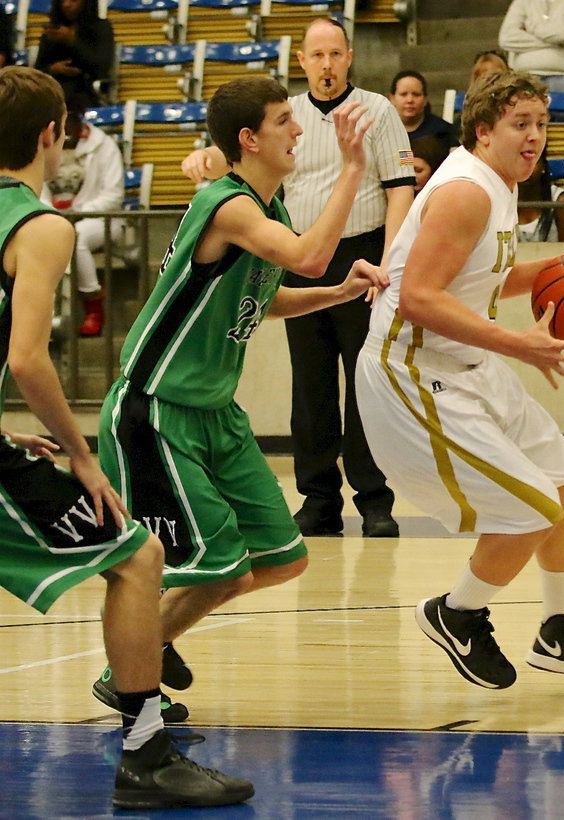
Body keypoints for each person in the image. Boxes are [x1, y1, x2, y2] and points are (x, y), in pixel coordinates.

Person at [95, 76, 389, 721]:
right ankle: (131, 669)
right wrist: (355, 168)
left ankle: (144, 647)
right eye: (286, 119)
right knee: (211, 568)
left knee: (282, 560)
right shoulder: (229, 205)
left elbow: (263, 299)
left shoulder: (266, 211)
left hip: (215, 412)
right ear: (249, 139)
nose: (299, 129)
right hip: (156, 408)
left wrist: (337, 294)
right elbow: (310, 258)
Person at [0, 65, 251, 811]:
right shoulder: (41, 225)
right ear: (54, 134)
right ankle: (145, 756)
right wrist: (80, 452)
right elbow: (25, 356)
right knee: (140, 556)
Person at [355, 72, 564, 690]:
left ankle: (558, 630)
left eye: (541, 123)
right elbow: (421, 298)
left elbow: (483, 280)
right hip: (413, 369)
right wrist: (520, 343)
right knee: (529, 508)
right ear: (483, 132)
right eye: (520, 124)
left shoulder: (499, 185)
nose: (534, 137)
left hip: (467, 361)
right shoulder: (465, 192)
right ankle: (457, 613)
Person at [183, 18, 414, 539]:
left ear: (349, 57)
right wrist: (205, 156)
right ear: (303, 62)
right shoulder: (289, 117)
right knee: (310, 389)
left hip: (363, 257)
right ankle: (318, 500)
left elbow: (401, 188)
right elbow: (238, 155)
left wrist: (390, 265)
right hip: (299, 255)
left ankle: (375, 499)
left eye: (335, 54)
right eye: (317, 56)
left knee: (365, 386)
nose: (327, 65)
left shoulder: (377, 110)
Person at [41, 94, 124, 336]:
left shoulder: (103, 145)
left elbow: (113, 195)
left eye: (70, 126)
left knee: (74, 236)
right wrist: (52, 213)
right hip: (54, 219)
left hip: (102, 220)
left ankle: (93, 306)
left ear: (79, 122)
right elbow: (38, 189)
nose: (66, 135)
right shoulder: (46, 144)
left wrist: (76, 213)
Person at [499, 0, 564, 94]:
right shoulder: (523, 1)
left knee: (562, 87)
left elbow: (562, 35)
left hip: (563, 76)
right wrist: (554, 43)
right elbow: (506, 38)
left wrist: (531, 26)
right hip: (523, 76)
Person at [34, 0, 114, 107]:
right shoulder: (53, 30)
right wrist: (53, 69)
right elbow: (37, 70)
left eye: (73, 0)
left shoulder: (101, 27)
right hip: (54, 91)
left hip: (85, 91)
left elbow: (102, 68)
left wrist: (73, 41)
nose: (66, 4)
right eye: (62, 0)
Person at [517, 147, 564, 242]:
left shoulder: (561, 203)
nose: (526, 169)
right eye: (519, 162)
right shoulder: (498, 199)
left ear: (543, 166)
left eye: (532, 161)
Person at [389, 69, 458, 151]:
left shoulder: (443, 132)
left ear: (425, 99)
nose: (410, 100)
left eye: (416, 94)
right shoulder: (382, 131)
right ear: (392, 99)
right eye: (403, 94)